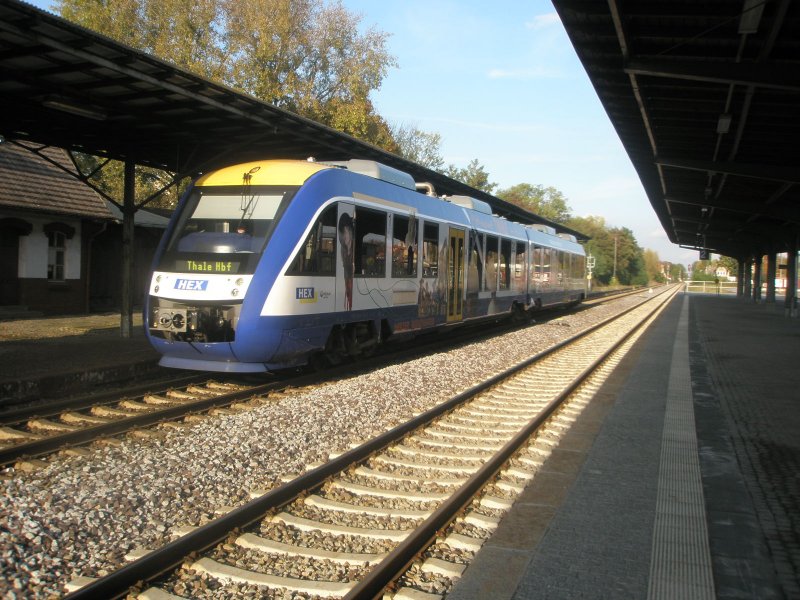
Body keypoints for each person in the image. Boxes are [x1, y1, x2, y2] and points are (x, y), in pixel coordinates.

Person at [338, 213, 354, 310]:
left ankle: (349, 301)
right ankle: (349, 301)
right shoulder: (343, 250)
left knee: (348, 279)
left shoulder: (343, 231)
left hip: (347, 259)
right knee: (348, 279)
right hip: (347, 259)